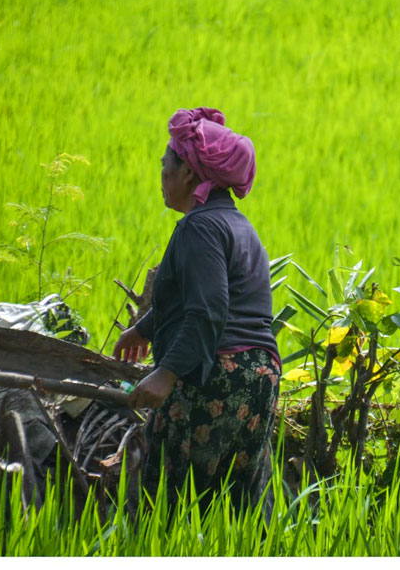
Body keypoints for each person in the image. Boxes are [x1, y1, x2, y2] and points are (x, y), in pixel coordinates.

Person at [113, 107, 281, 510]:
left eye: (166, 164)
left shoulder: (199, 227)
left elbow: (208, 309)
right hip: (257, 376)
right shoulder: (236, 224)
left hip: (212, 379)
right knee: (233, 512)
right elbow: (203, 298)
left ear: (188, 172)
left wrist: (165, 374)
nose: (162, 174)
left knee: (169, 510)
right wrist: (145, 330)